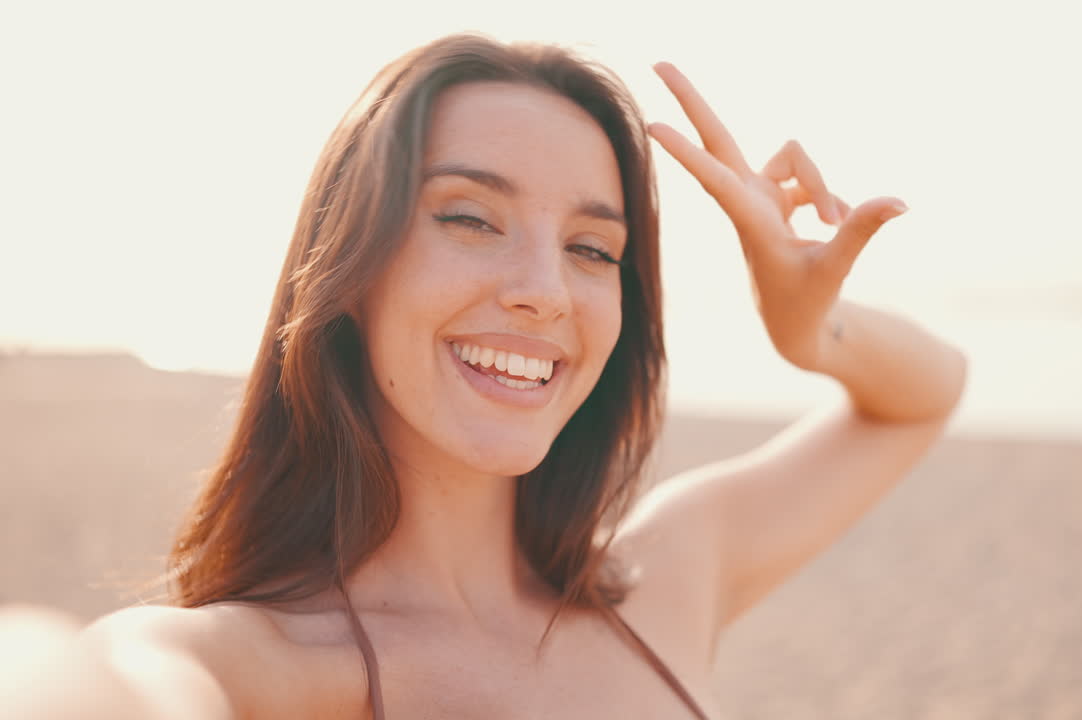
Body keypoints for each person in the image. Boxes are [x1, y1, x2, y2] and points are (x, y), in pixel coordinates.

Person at [7, 33, 967, 718]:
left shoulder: (669, 577)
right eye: (470, 219)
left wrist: (811, 329)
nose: (546, 292)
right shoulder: (257, 668)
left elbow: (927, 395)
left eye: (595, 249)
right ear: (351, 267)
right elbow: (86, 681)